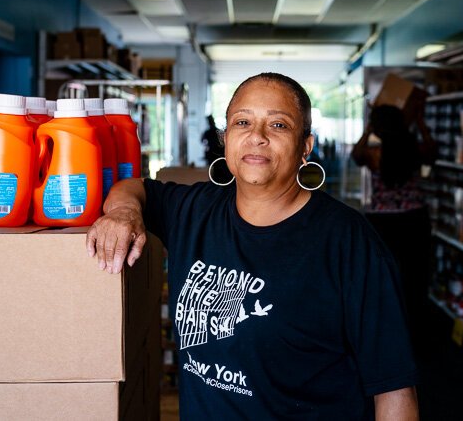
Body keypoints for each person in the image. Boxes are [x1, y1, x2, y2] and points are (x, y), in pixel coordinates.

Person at [87, 73, 419, 420]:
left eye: (278, 125)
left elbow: (394, 388)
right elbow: (134, 186)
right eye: (242, 122)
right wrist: (125, 211)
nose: (257, 137)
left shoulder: (349, 242)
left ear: (305, 146)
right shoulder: (192, 211)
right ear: (226, 137)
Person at [350, 102, 437, 333]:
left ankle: (386, 324)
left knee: (383, 272)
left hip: (382, 220)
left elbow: (356, 155)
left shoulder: (375, 153)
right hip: (414, 218)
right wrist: (419, 123)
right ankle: (415, 324)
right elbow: (431, 152)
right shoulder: (412, 148)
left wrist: (368, 129)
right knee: (416, 272)